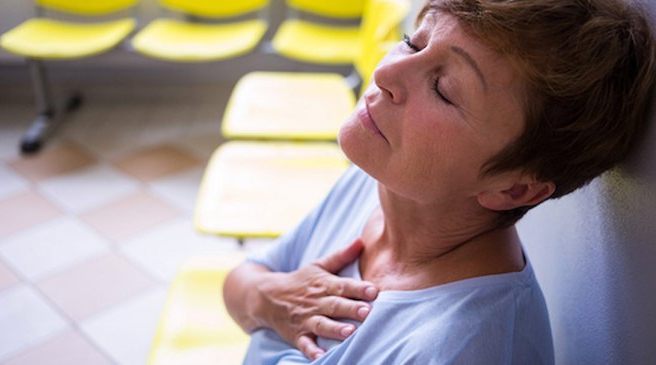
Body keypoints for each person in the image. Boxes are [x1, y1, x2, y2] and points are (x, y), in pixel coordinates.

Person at [223, 0, 656, 363]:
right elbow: (243, 280)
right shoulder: (383, 180)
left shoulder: (460, 348)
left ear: (513, 189)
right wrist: (269, 297)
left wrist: (262, 298)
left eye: (444, 89)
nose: (386, 74)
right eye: (415, 41)